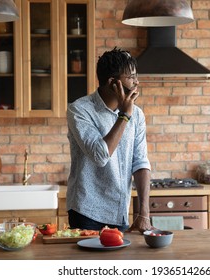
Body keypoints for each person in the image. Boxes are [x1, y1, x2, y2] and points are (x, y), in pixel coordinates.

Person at [66, 47, 152, 233]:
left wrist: (143, 213)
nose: (137, 82)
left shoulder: (137, 114)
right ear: (113, 83)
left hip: (119, 212)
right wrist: (124, 116)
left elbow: (140, 162)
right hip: (86, 213)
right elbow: (100, 155)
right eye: (131, 77)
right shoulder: (79, 110)